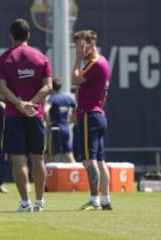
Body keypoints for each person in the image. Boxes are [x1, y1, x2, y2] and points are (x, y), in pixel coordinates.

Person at [0, 18, 52, 212]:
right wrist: (32, 103)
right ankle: (39, 202)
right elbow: (48, 86)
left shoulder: (3, 59)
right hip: (34, 116)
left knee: (18, 160)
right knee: (38, 159)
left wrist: (19, 104)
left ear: (11, 36)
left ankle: (25, 203)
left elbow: (1, 88)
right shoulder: (41, 57)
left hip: (13, 115)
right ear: (29, 35)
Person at [71, 29, 112, 210]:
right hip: (97, 114)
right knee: (100, 162)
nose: (79, 48)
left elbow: (75, 79)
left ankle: (95, 199)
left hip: (90, 114)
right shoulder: (103, 62)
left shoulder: (94, 62)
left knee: (89, 160)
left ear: (91, 43)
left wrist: (78, 58)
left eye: (81, 45)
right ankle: (105, 199)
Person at [44, 78, 76, 163]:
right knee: (68, 153)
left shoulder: (52, 98)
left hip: (55, 128)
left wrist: (47, 122)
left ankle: (55, 175)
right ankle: (76, 172)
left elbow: (45, 110)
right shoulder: (67, 98)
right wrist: (73, 119)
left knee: (52, 154)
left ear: (51, 87)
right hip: (66, 128)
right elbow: (76, 107)